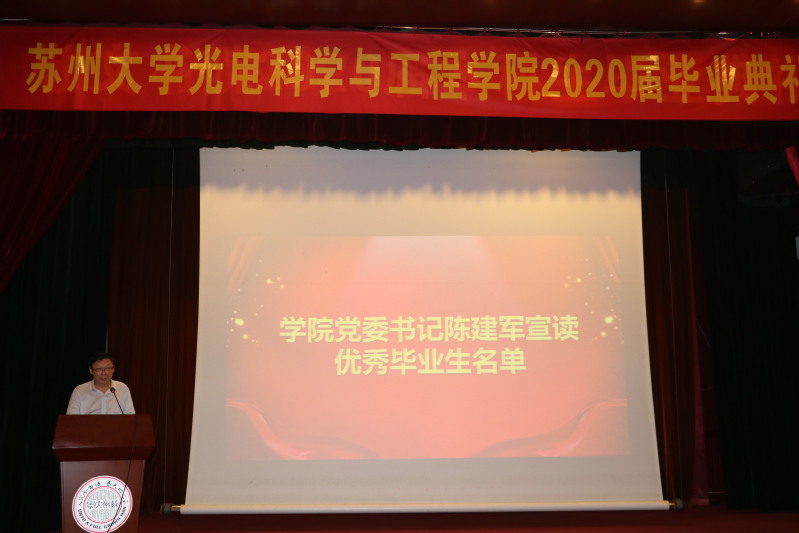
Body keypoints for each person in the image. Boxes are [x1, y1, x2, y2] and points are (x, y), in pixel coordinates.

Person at [66, 353, 135, 415]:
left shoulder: (122, 388)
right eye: (99, 369)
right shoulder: (79, 391)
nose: (103, 373)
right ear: (91, 370)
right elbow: (71, 420)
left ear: (113, 369)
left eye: (107, 368)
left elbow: (130, 416)